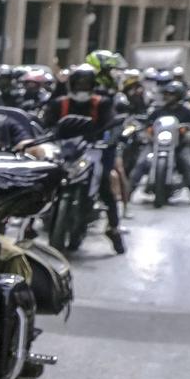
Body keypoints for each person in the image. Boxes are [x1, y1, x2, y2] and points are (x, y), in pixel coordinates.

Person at [42, 62, 127, 254]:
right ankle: (29, 223)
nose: (82, 87)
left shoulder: (102, 103)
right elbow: (45, 124)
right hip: (62, 152)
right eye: (78, 83)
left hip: (92, 151)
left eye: (86, 83)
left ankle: (114, 229)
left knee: (106, 182)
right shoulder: (59, 103)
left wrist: (112, 138)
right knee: (40, 182)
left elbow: (112, 123)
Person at [130, 77, 190, 205]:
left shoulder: (186, 112)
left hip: (179, 145)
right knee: (141, 163)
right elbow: (147, 124)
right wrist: (146, 131)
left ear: (179, 96)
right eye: (167, 94)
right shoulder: (157, 111)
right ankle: (128, 193)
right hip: (155, 144)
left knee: (189, 164)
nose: (168, 97)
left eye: (171, 94)